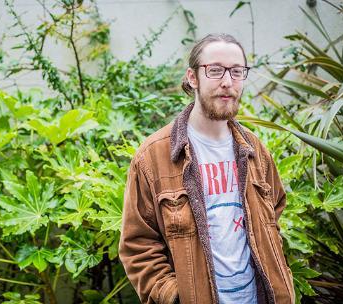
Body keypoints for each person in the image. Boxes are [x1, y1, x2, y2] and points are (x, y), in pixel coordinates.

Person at [119, 33, 295, 304]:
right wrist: (173, 295)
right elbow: (138, 245)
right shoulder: (152, 157)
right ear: (193, 78)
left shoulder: (255, 151)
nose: (227, 82)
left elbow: (274, 217)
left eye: (237, 71)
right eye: (215, 70)